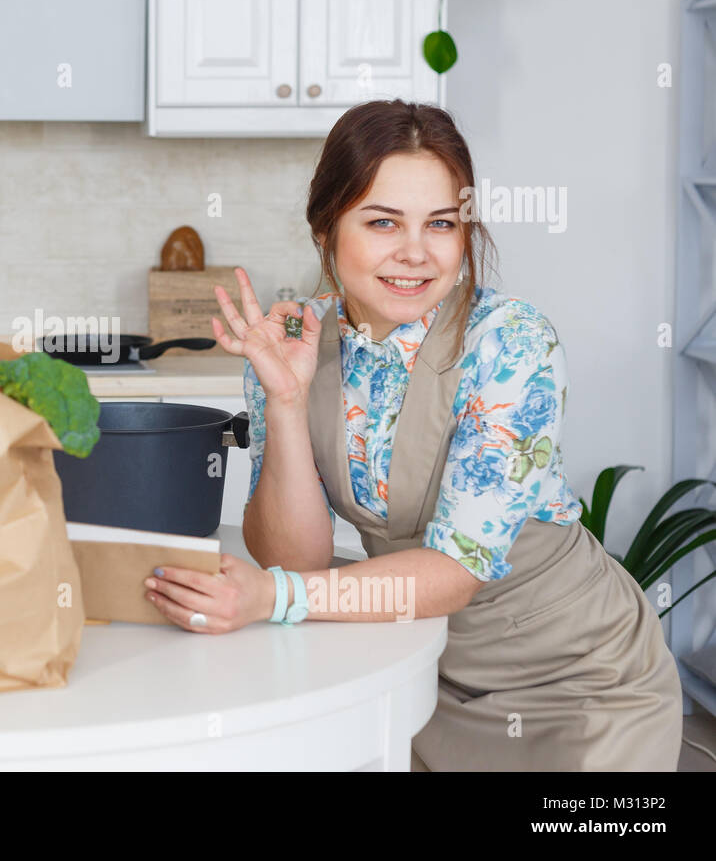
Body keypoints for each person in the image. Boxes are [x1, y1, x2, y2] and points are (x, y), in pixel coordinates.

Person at [142, 99, 683, 771]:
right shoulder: (293, 343)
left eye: (441, 224)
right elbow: (299, 559)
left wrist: (271, 598)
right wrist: (285, 400)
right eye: (382, 222)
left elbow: (455, 573)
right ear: (325, 231)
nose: (416, 252)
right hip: (420, 673)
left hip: (578, 688)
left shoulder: (510, 344)